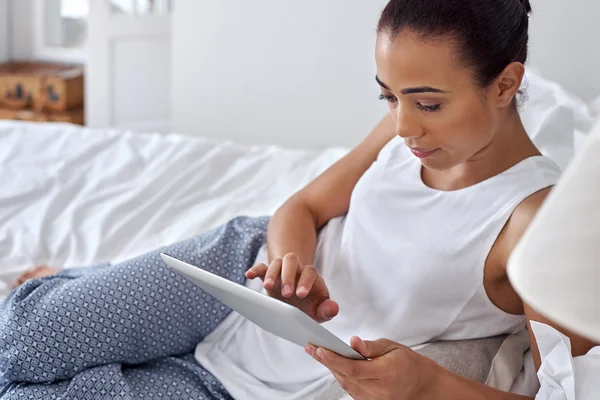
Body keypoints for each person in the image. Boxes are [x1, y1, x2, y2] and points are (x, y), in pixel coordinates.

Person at [3, 0, 596, 399]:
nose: (405, 125)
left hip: (259, 383)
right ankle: (76, 281)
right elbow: (303, 209)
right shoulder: (401, 133)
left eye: (429, 103)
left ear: (506, 83)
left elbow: (569, 390)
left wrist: (428, 385)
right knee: (23, 341)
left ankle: (79, 281)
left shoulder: (533, 220)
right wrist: (296, 267)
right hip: (240, 271)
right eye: (388, 97)